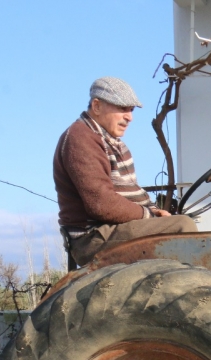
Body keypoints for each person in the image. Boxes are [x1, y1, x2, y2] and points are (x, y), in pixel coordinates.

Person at [54, 77, 197, 266]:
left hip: (110, 230)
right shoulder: (80, 139)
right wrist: (149, 215)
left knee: (187, 224)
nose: (129, 117)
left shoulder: (114, 144)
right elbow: (101, 204)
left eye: (130, 110)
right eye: (122, 109)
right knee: (182, 226)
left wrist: (154, 211)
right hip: (92, 238)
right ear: (96, 106)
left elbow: (127, 193)